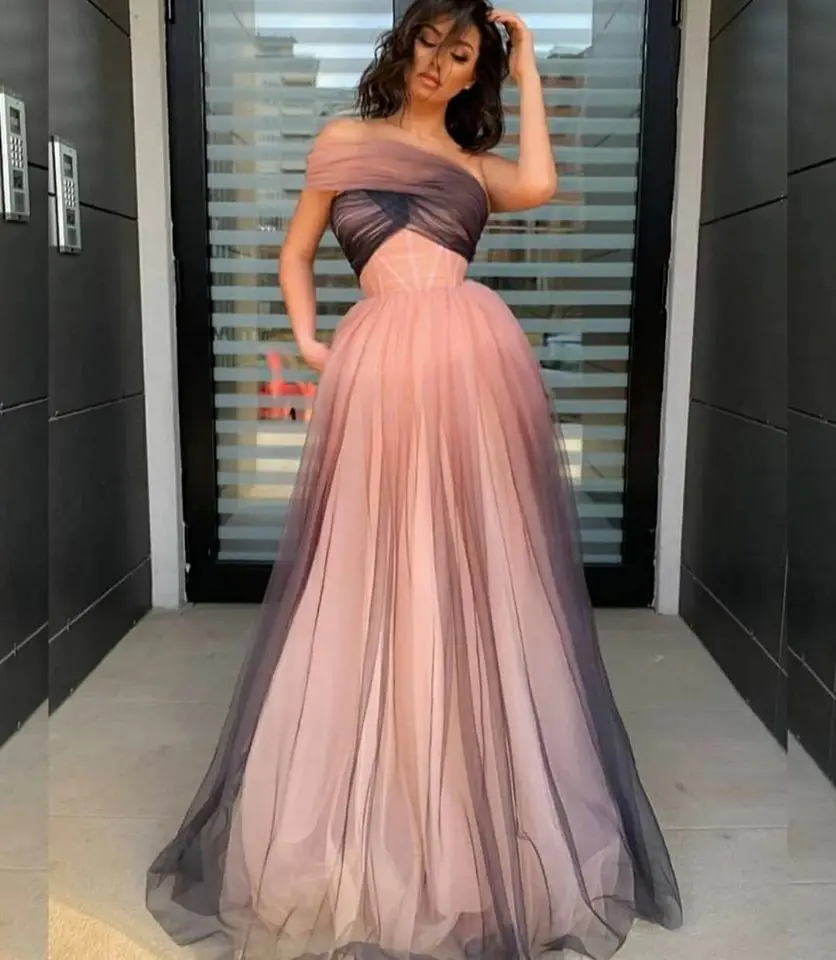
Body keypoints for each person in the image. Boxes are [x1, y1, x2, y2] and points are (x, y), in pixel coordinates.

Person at [146, 2, 683, 958]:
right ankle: (365, 802)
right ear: (405, 49)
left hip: (469, 358)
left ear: (476, 73)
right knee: (367, 554)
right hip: (377, 362)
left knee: (476, 554)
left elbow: (542, 184)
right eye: (431, 42)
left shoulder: (474, 166)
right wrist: (311, 341)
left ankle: (479, 813)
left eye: (462, 53)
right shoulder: (341, 140)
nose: (440, 61)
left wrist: (528, 72)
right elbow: (295, 250)